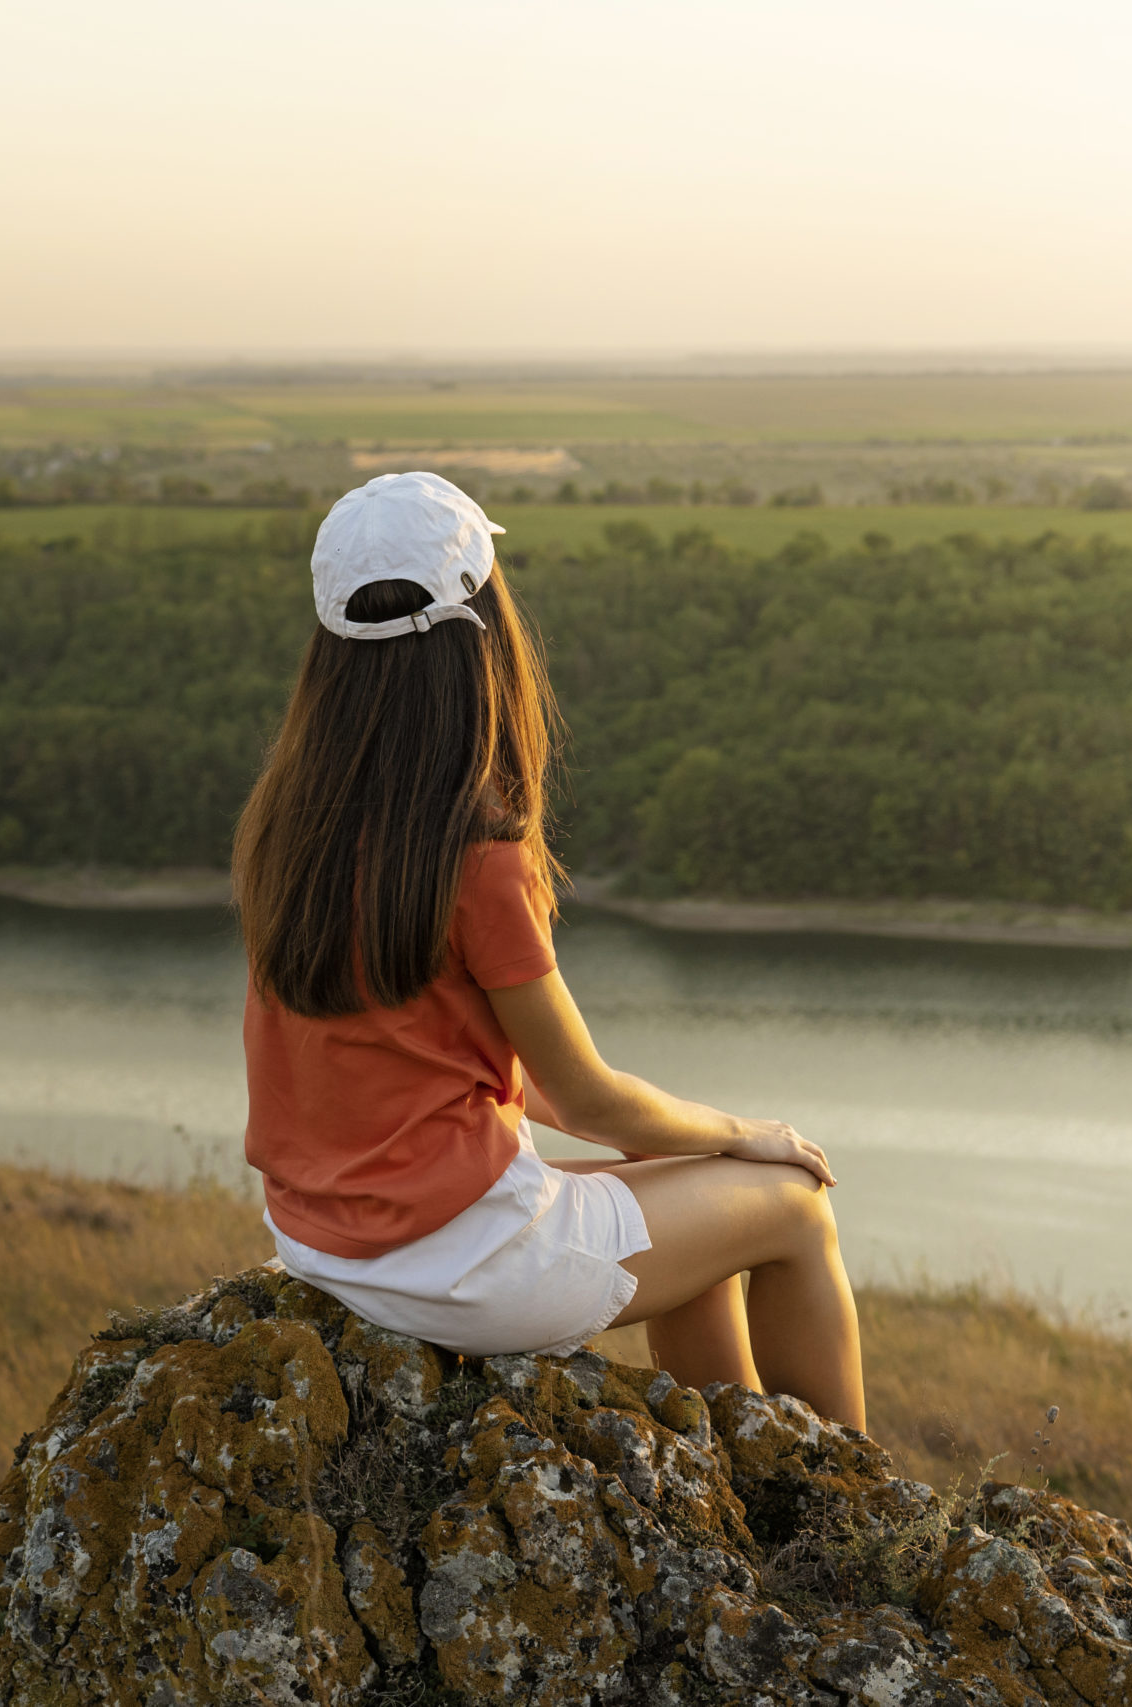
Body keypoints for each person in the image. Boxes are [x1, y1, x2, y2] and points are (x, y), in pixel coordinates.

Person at [232, 472, 864, 1428]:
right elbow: (583, 1096)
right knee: (790, 1206)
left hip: (325, 1244)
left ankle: (754, 1473)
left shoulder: (288, 823)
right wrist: (743, 1133)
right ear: (481, 630)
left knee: (688, 1232)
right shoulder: (475, 848)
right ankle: (845, 1502)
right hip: (464, 1260)